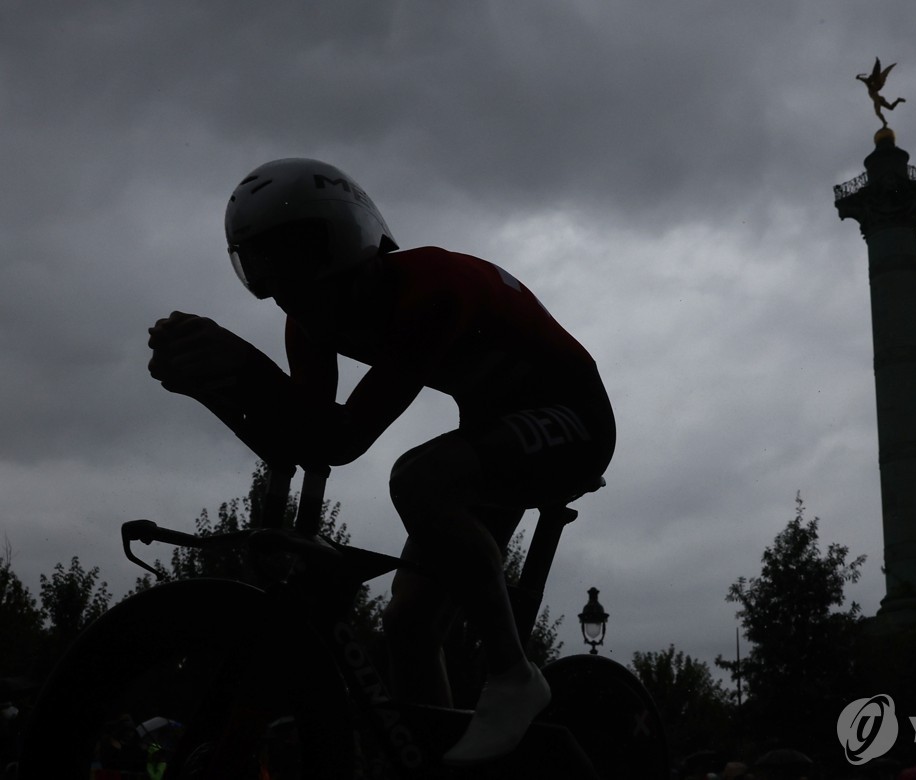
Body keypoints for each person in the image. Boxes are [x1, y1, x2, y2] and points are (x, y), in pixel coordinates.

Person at [146, 157, 616, 765]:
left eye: (295, 260)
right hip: (494, 429)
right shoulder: (309, 320)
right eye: (264, 269)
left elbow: (344, 439)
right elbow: (307, 443)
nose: (286, 288)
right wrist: (210, 388)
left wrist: (238, 365)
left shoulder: (429, 292)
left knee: (419, 479)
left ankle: (513, 674)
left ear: (346, 243)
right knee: (409, 628)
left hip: (576, 419)